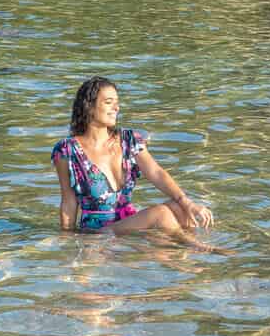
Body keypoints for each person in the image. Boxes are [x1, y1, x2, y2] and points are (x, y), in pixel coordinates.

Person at [52, 76, 213, 240]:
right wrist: (68, 240)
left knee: (179, 209)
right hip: (98, 232)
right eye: (109, 102)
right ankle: (199, 248)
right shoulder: (67, 150)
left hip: (128, 221)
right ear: (89, 107)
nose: (116, 107)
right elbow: (68, 201)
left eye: (117, 102)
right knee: (160, 213)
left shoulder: (129, 140)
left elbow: (156, 173)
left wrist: (187, 203)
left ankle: (186, 258)